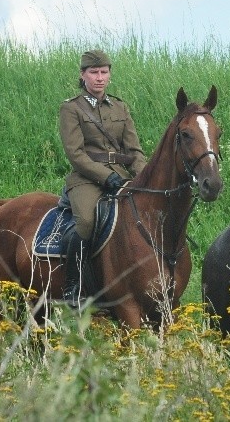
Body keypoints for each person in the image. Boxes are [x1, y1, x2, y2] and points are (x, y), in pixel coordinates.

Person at [58, 49, 147, 306]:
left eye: (104, 72)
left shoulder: (120, 106)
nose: (99, 78)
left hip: (122, 176)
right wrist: (105, 176)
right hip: (87, 178)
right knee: (86, 221)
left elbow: (134, 151)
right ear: (83, 75)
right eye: (94, 72)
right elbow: (76, 154)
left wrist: (146, 177)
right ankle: (74, 287)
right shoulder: (71, 108)